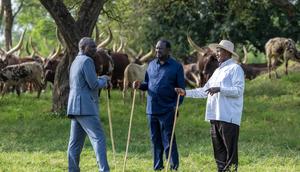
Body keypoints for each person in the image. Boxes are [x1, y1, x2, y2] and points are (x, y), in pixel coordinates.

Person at [175, 40, 245, 172]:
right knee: (219, 155)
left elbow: (238, 91)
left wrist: (220, 89)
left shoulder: (236, 69)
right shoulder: (218, 71)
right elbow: (204, 91)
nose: (217, 53)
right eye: (217, 50)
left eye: (220, 51)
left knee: (230, 155)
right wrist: (185, 92)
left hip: (228, 117)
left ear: (228, 53)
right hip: (214, 116)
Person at [133, 39, 185, 171]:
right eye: (156, 48)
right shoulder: (151, 65)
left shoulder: (176, 67)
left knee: (168, 139)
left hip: (168, 109)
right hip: (151, 109)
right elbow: (147, 84)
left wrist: (176, 106)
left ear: (168, 50)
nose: (157, 51)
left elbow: (181, 91)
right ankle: (158, 166)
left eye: (160, 49)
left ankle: (173, 167)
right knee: (155, 140)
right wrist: (140, 86)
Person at [67, 37, 110, 172]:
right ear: (83, 47)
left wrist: (100, 79)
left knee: (75, 143)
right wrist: (104, 79)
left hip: (74, 106)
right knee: (99, 138)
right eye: (91, 47)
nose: (95, 49)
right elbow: (93, 84)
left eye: (95, 46)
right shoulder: (87, 61)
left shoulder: (75, 61)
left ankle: (73, 170)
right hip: (86, 107)